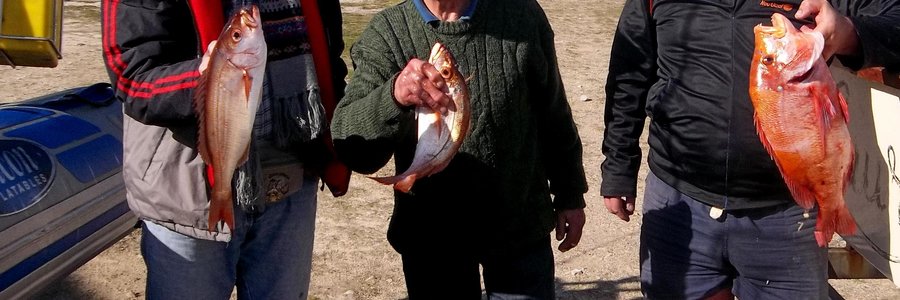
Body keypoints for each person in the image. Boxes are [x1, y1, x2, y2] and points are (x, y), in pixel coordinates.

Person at [601, 0, 900, 298]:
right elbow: (629, 72)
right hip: (677, 204)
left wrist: (847, 32)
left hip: (786, 215)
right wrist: (618, 165)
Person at [330, 0, 588, 298]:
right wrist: (395, 96)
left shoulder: (523, 15)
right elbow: (352, 147)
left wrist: (570, 192)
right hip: (432, 239)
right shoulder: (388, 31)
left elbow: (553, 112)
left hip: (520, 228)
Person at [101, 0, 347, 298]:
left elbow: (330, 49)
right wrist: (208, 79)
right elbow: (132, 77)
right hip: (188, 190)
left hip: (292, 177)